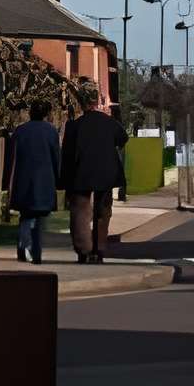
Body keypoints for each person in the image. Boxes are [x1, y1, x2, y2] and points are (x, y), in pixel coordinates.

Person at [58, 86, 121, 263]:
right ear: (97, 102)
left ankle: (84, 249)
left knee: (80, 211)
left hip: (80, 173)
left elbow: (67, 153)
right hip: (106, 173)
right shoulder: (109, 123)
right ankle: (99, 248)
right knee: (103, 211)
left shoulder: (74, 126)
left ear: (81, 102)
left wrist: (64, 179)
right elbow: (122, 138)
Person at [3, 98, 63, 265]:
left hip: (23, 179)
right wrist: (59, 180)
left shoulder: (20, 131)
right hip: (44, 180)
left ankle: (23, 244)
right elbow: (56, 158)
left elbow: (11, 157)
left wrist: (7, 181)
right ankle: (36, 251)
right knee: (39, 218)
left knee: (26, 215)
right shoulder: (51, 132)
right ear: (46, 114)